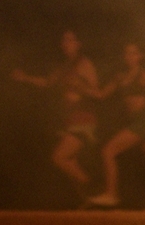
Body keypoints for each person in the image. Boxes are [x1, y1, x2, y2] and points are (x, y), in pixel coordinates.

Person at [86, 43, 145, 207]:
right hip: (135, 122)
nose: (130, 56)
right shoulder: (120, 77)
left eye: (134, 53)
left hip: (142, 122)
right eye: (127, 53)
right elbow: (101, 95)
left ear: (140, 56)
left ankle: (111, 194)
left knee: (108, 151)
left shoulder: (144, 75)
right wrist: (81, 87)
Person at [11, 30, 101, 198]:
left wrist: (80, 87)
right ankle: (90, 203)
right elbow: (47, 82)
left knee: (58, 158)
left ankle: (94, 186)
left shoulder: (84, 63)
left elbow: (96, 92)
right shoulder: (64, 67)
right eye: (64, 40)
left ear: (78, 44)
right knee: (71, 163)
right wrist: (25, 78)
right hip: (71, 119)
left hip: (84, 118)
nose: (65, 43)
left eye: (70, 40)